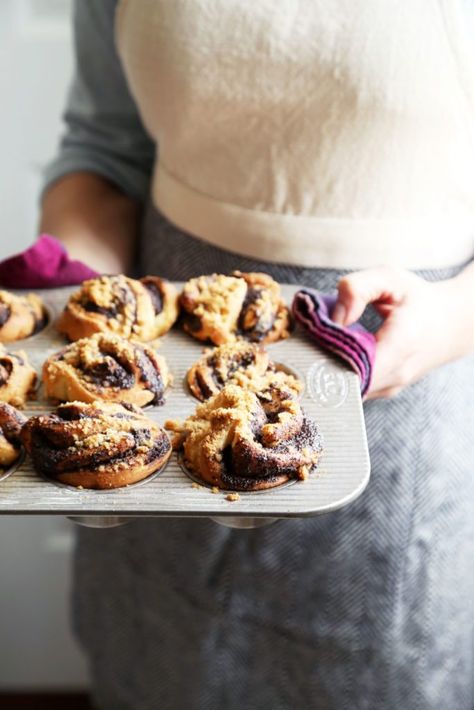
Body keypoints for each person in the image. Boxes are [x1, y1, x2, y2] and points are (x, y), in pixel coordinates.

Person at [40, 2, 474, 708]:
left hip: (407, 425)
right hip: (155, 408)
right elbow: (104, 150)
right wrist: (75, 293)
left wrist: (454, 316)